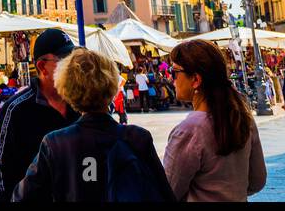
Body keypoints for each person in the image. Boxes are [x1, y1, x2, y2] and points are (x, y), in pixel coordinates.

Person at [12, 48, 173, 202]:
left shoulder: (56, 143)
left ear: (67, 90)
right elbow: (164, 194)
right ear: (112, 87)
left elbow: (22, 197)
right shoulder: (138, 138)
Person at [162, 40, 267, 201]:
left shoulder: (190, 130)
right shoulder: (243, 118)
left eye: (174, 72)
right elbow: (257, 180)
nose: (171, 79)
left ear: (195, 79)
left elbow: (168, 191)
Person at [0, 28, 80, 202]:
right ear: (42, 66)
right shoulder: (14, 111)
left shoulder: (82, 104)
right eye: (65, 60)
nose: (73, 66)